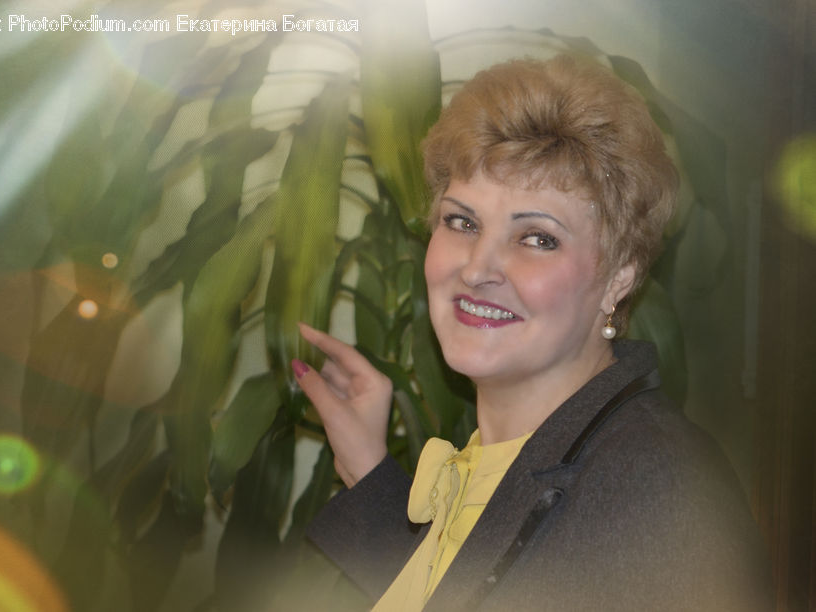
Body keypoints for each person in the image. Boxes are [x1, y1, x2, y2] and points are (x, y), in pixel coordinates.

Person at [291, 55, 773, 611]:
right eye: (462, 222)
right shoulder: (493, 461)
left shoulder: (663, 494)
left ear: (620, 277)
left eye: (538, 238)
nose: (476, 268)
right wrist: (370, 472)